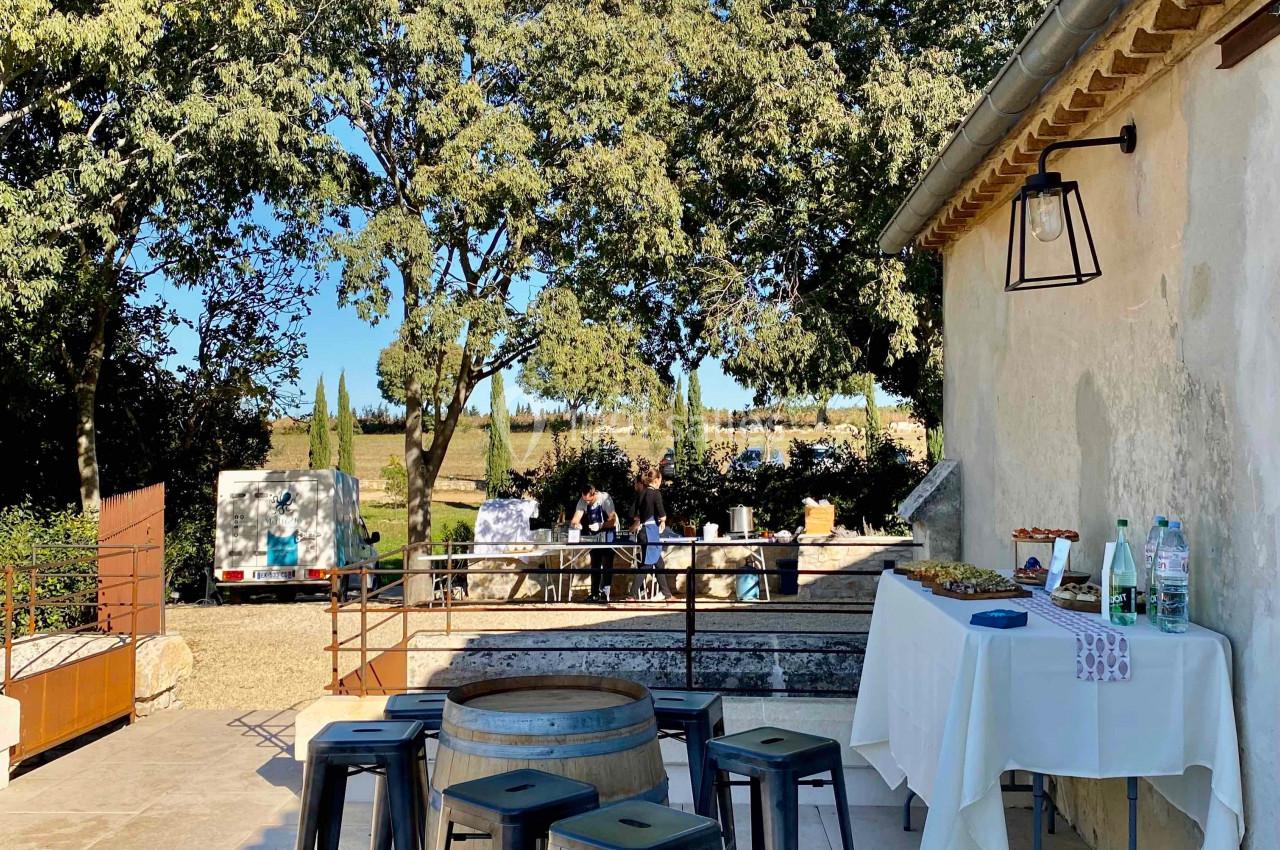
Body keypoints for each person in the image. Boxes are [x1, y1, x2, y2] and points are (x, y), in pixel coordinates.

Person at [629, 467, 674, 601]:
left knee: (658, 563)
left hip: (642, 531)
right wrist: (663, 518)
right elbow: (660, 510)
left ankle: (667, 595)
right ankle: (632, 595)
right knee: (647, 564)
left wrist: (639, 518)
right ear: (657, 480)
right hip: (650, 531)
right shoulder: (655, 493)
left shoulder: (641, 493)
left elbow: (631, 513)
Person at [569, 484, 618, 602]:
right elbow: (575, 518)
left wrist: (601, 525)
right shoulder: (583, 500)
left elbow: (613, 520)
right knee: (595, 563)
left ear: (594, 494)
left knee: (607, 563)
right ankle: (594, 593)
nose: (587, 503)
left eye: (589, 500)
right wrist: (576, 525)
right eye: (585, 500)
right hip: (594, 534)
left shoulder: (605, 499)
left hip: (608, 532)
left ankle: (605, 594)